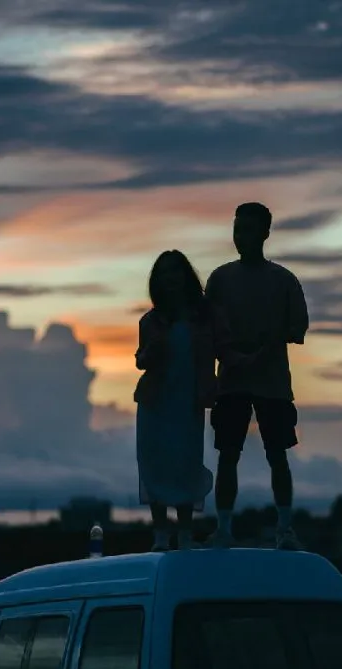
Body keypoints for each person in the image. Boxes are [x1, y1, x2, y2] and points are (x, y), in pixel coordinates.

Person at [205, 202, 309, 549]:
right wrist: (232, 356)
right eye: (237, 229)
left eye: (248, 229)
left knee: (277, 453)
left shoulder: (283, 280)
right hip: (232, 379)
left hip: (272, 382)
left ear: (265, 233)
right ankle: (223, 528)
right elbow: (210, 330)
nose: (241, 237)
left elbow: (298, 327)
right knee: (228, 454)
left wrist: (265, 346)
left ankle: (284, 528)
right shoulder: (220, 278)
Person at [134, 249, 238, 552]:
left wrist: (244, 363)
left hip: (189, 400)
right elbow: (141, 360)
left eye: (175, 272)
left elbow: (226, 348)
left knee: (185, 462)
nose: (170, 279)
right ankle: (161, 535)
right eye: (164, 274)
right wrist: (149, 353)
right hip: (155, 401)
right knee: (153, 462)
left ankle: (185, 534)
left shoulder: (206, 316)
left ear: (185, 276)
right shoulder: (151, 321)